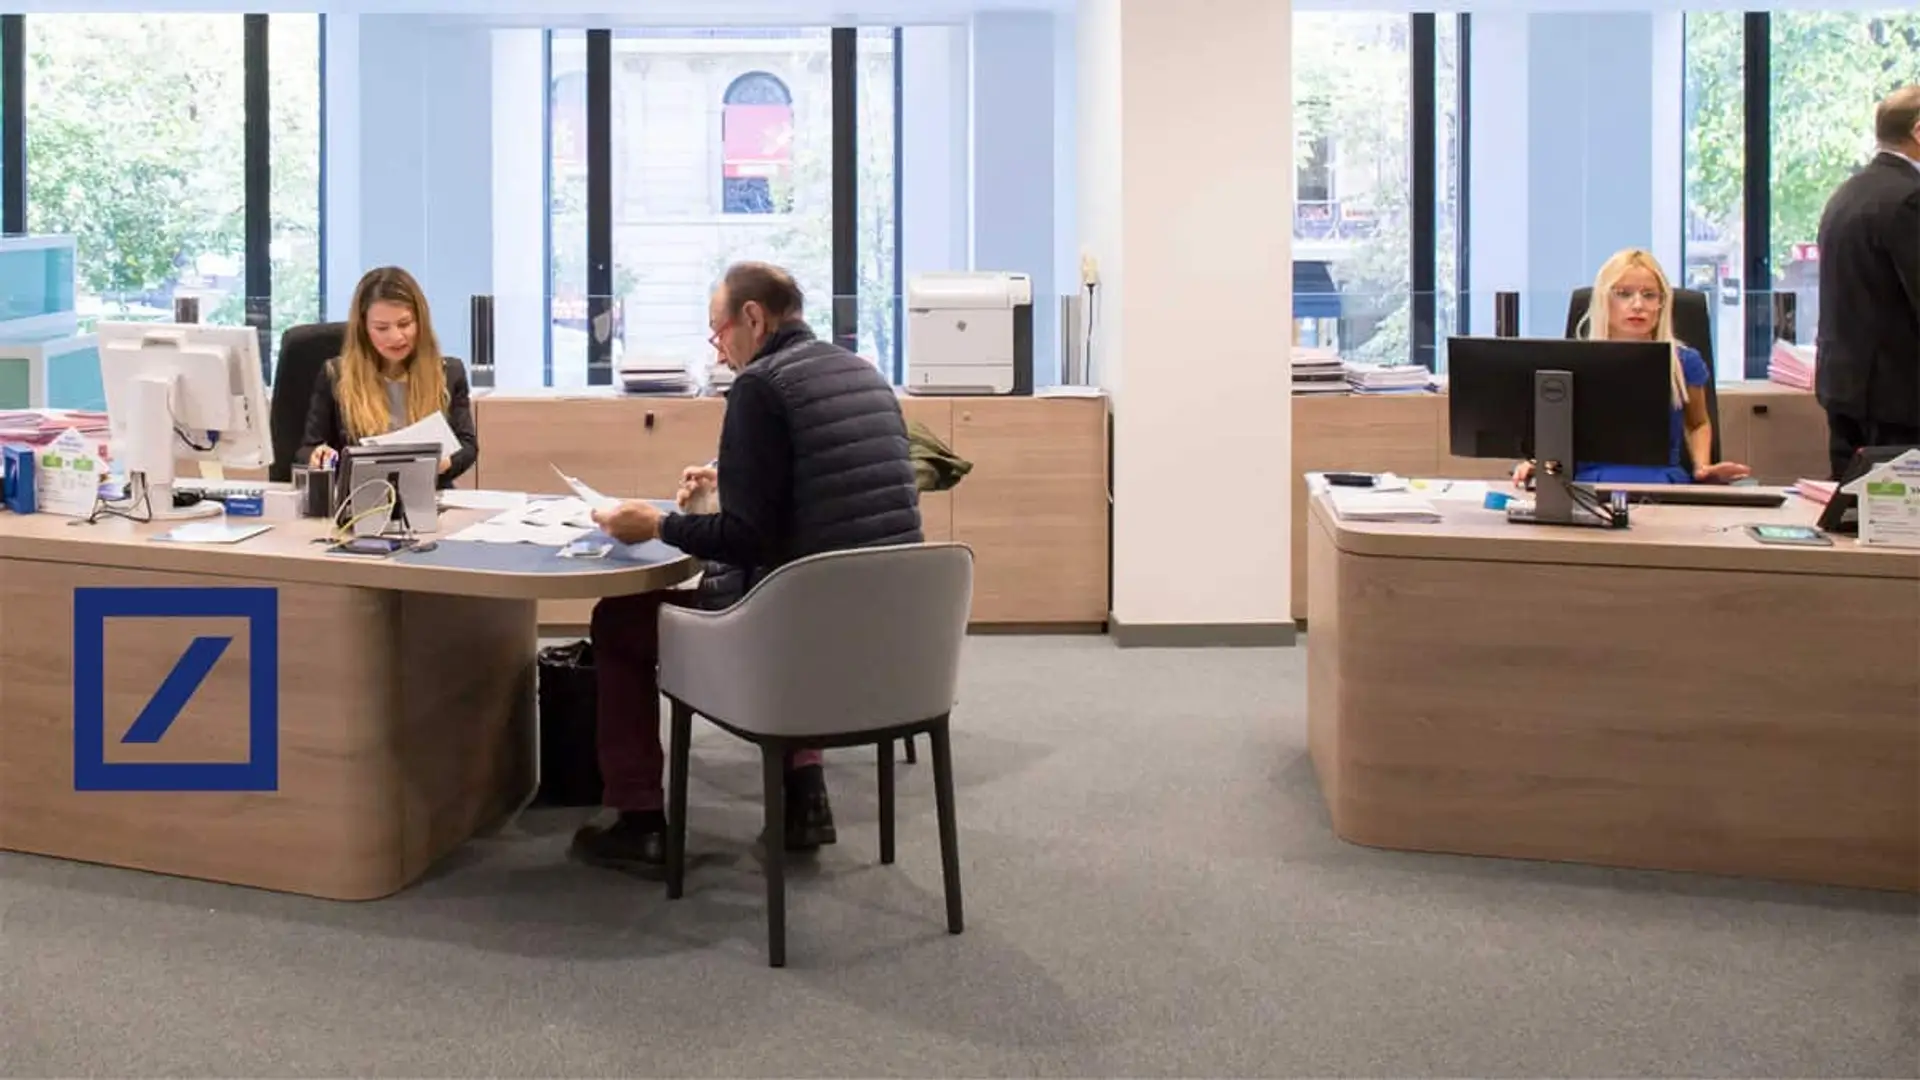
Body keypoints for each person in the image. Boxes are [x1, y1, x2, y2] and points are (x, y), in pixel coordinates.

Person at [570, 261, 923, 877]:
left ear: (753, 318)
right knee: (798, 590)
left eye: (718, 331)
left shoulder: (761, 386)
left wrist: (653, 525)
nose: (719, 348)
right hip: (886, 640)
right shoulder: (864, 373)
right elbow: (818, 497)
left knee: (620, 621)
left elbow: (743, 539)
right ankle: (804, 796)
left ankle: (640, 820)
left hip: (791, 639)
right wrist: (731, 479)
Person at [1513, 248, 1752, 487]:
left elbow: (1697, 423)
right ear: (1604, 300)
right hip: (1590, 484)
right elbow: (1558, 429)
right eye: (1623, 294)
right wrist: (1539, 462)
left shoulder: (1682, 361)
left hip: (1662, 484)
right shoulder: (1577, 361)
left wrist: (1702, 467)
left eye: (1649, 295)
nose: (1638, 305)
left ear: (1661, 304)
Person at [1813, 85, 1920, 480]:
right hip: (1899, 397)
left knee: (1856, 520)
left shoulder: (1848, 193)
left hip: (1845, 388)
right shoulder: (1910, 199)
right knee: (1899, 529)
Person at [297, 266, 479, 489]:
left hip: (429, 494)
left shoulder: (448, 372)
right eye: (382, 328)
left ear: (420, 321)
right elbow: (307, 448)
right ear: (364, 328)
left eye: (405, 324)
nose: (396, 337)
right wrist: (317, 456)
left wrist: (445, 463)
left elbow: (467, 446)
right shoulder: (336, 375)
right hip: (361, 497)